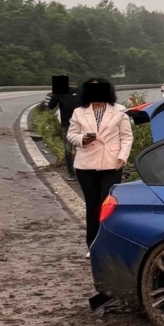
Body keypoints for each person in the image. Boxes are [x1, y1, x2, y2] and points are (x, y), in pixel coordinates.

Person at [67, 78, 132, 251]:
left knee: (108, 204)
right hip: (86, 164)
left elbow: (126, 136)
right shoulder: (79, 112)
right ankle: (93, 245)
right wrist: (82, 139)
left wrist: (122, 156)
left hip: (112, 163)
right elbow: (71, 134)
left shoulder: (119, 111)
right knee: (92, 204)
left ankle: (109, 242)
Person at [46, 80, 80, 180]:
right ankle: (81, 172)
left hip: (67, 124)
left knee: (68, 149)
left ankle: (71, 174)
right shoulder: (77, 91)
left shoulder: (58, 94)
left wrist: (54, 95)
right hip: (81, 124)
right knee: (80, 148)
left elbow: (51, 106)